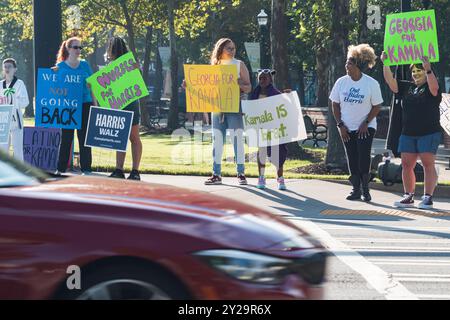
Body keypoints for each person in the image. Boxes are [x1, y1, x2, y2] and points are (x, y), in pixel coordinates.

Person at [382, 52, 442, 209]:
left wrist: (428, 69)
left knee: (428, 164)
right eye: (414, 71)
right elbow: (391, 83)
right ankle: (408, 196)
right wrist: (386, 63)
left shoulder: (431, 86)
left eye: (419, 71)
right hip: (408, 133)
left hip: (429, 132)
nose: (416, 74)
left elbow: (435, 89)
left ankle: (427, 197)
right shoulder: (407, 87)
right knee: (406, 164)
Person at [329, 44, 383, 202]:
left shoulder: (371, 84)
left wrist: (366, 122)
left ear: (358, 65)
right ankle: (355, 190)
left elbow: (377, 105)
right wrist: (340, 125)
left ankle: (366, 190)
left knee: (363, 157)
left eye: (350, 63)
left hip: (366, 127)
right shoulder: (341, 82)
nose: (346, 65)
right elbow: (335, 104)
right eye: (346, 62)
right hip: (347, 127)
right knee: (351, 157)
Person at [204, 38, 252, 185]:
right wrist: (190, 85)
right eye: (229, 48)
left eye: (233, 48)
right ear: (220, 50)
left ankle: (241, 172)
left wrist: (240, 84)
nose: (232, 51)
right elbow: (205, 88)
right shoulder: (214, 66)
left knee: (237, 139)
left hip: (234, 106)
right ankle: (216, 174)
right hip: (217, 107)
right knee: (217, 140)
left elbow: (249, 87)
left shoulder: (239, 65)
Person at [54, 37, 95, 175]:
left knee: (84, 138)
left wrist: (95, 104)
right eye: (75, 47)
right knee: (66, 138)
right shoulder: (59, 67)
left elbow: (93, 85)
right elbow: (54, 87)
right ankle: (60, 169)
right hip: (68, 106)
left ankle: (87, 169)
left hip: (85, 104)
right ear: (68, 48)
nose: (78, 50)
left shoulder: (84, 65)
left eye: (80, 48)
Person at [107, 37, 143, 181]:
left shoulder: (130, 64)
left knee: (129, 138)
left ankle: (130, 170)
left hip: (129, 104)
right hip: (122, 105)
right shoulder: (113, 65)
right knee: (124, 138)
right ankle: (123, 170)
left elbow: (138, 82)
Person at [249, 69, 288, 190]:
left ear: (270, 79)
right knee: (261, 153)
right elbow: (250, 109)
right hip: (260, 128)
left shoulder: (276, 94)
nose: (262, 80)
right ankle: (261, 177)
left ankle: (280, 178)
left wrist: (288, 97)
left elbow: (284, 110)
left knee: (278, 153)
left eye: (264, 78)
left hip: (274, 128)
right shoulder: (254, 94)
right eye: (260, 78)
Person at [0, 58, 29, 161]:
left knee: (17, 149)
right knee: (3, 149)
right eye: (5, 66)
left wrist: (14, 102)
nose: (7, 69)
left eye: (9, 66)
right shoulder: (0, 84)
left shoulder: (19, 83)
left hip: (16, 121)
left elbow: (25, 102)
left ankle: (19, 172)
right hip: (3, 122)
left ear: (15, 69)